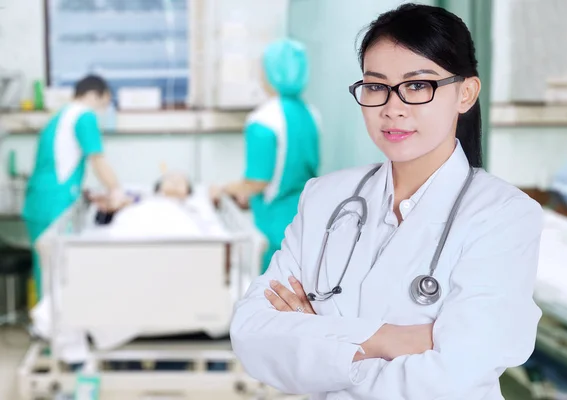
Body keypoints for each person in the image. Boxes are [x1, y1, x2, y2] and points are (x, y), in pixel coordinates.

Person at [230, 4, 543, 399]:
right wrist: (386, 339)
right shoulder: (324, 199)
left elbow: (453, 376)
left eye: (417, 86)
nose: (392, 107)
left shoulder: (504, 216)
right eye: (376, 86)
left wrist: (324, 349)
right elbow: (252, 333)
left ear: (466, 93)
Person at [212, 38, 320, 274]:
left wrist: (224, 190)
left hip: (274, 227)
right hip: (307, 217)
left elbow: (257, 182)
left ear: (270, 73)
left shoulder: (263, 120)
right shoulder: (311, 114)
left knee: (273, 295)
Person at [22, 74, 127, 302]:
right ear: (98, 95)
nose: (104, 110)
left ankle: (46, 325)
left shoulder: (60, 116)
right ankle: (55, 329)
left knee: (45, 268)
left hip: (38, 200)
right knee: (57, 269)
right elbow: (97, 159)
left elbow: (61, 162)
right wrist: (117, 190)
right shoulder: (84, 115)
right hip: (56, 202)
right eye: (105, 103)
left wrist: (85, 191)